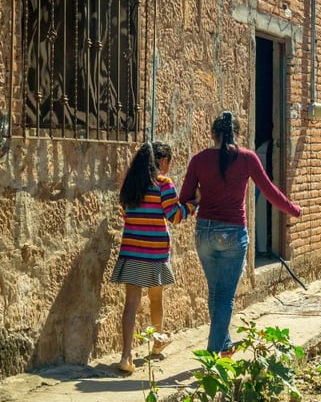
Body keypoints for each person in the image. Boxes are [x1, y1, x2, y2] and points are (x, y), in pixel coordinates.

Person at [179, 111, 303, 355]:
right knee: (224, 297)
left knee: (215, 292)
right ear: (237, 134)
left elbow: (185, 199)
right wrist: (294, 210)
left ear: (213, 134)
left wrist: (201, 197)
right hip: (234, 234)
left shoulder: (199, 159)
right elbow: (269, 191)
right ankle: (213, 355)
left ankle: (223, 346)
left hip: (204, 232)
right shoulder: (247, 158)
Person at [111, 142, 199, 373]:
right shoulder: (163, 184)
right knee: (156, 299)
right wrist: (193, 204)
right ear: (163, 161)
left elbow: (125, 214)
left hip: (131, 250)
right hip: (155, 253)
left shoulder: (129, 185)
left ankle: (126, 355)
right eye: (168, 162)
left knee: (130, 304)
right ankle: (157, 343)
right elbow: (175, 216)